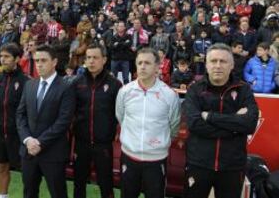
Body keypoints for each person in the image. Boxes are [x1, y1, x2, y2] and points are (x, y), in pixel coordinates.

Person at [183, 43, 259, 198]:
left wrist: (210, 117)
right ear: (206, 64)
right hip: (199, 163)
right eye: (213, 61)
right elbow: (195, 124)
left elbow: (250, 124)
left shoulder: (243, 89)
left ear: (231, 65)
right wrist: (235, 125)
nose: (218, 66)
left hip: (232, 166)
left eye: (223, 61)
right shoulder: (195, 89)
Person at [115, 47, 181, 198]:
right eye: (139, 63)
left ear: (158, 66)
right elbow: (121, 117)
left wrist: (159, 143)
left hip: (156, 160)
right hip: (129, 157)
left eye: (147, 63)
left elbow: (174, 125)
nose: (142, 67)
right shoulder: (125, 91)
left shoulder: (169, 95)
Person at [16, 44, 76, 198]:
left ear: (54, 62)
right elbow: (20, 115)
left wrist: (40, 142)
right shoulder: (30, 84)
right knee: (29, 193)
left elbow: (63, 121)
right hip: (29, 151)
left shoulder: (66, 86)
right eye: (37, 61)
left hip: (53, 153)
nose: (39, 64)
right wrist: (28, 140)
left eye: (43, 60)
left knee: (58, 193)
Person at [72, 43, 122, 198]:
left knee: (106, 184)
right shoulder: (77, 82)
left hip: (103, 144)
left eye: (95, 57)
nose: (91, 61)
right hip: (81, 143)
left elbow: (120, 115)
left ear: (104, 59)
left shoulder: (115, 84)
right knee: (79, 183)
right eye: (88, 58)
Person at [0, 43, 29, 198]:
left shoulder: (26, 81)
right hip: (0, 132)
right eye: (1, 56)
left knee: (27, 171)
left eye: (7, 56)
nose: (3, 59)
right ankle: (3, 196)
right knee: (1, 166)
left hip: (19, 134)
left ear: (17, 59)